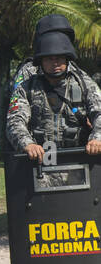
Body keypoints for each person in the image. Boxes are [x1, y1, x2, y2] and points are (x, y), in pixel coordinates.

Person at [7, 14, 101, 164]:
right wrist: (27, 143)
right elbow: (15, 120)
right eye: (49, 57)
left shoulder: (82, 81)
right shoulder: (27, 83)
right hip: (39, 159)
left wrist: (97, 138)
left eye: (59, 56)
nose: (55, 62)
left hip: (77, 158)